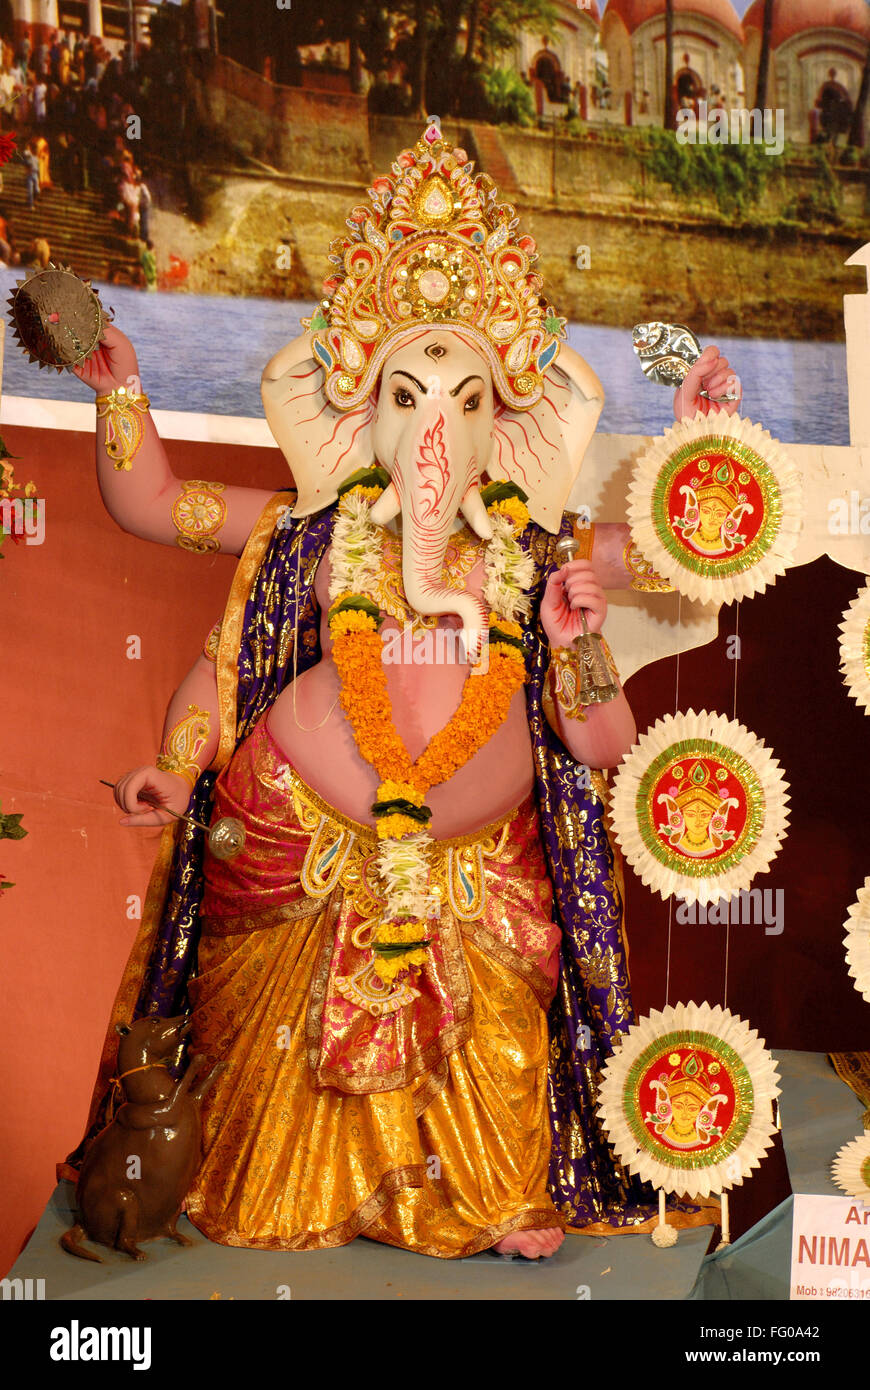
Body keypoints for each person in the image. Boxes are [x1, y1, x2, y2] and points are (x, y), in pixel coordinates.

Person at [64, 124, 739, 1259]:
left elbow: (689, 546)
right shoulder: (307, 535)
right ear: (360, 406)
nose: (436, 430)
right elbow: (163, 519)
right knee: (271, 1068)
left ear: (505, 420)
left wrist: (702, 440)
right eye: (411, 396)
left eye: (469, 402)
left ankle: (480, 1196)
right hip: (301, 843)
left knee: (498, 1039)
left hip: (480, 874)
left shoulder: (536, 550)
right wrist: (122, 391)